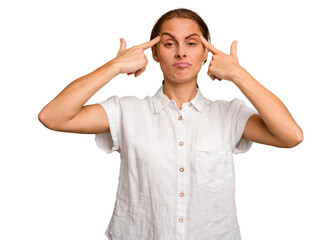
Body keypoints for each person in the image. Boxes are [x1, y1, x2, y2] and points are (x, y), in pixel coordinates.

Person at [38, 8, 303, 240]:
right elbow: (53, 117)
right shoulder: (126, 111)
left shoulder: (229, 114)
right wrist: (115, 65)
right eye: (168, 44)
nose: (180, 53)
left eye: (191, 43)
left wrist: (238, 74)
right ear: (154, 52)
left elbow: (291, 136)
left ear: (206, 53)